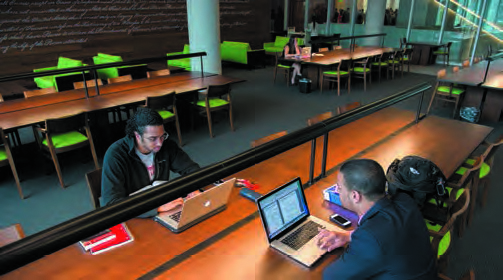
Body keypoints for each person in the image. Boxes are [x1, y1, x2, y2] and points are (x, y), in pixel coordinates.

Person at [316, 159, 437, 279]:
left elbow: (331, 277)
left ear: (355, 196)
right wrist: (349, 236)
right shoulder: (405, 200)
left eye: (339, 187)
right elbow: (388, 237)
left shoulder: (370, 237)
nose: (337, 191)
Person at [101, 107, 200, 217]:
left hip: (164, 207)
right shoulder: (116, 154)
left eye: (162, 136)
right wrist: (155, 208)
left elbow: (192, 170)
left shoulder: (167, 145)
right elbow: (111, 204)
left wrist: (194, 188)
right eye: (153, 139)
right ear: (137, 136)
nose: (160, 143)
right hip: (133, 215)